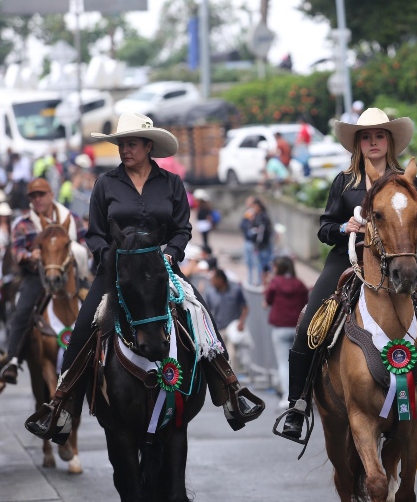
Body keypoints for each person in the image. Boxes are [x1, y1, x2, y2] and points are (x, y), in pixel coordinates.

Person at [24, 113, 264, 443]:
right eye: (121, 144)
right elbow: (94, 235)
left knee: (202, 314)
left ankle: (231, 392)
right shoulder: (105, 184)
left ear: (148, 146)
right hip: (115, 273)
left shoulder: (171, 184)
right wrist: (112, 259)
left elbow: (182, 229)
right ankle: (61, 404)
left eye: (131, 144)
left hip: (161, 268)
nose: (125, 149)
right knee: (82, 328)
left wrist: (171, 254)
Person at [276, 107, 417, 442]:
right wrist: (343, 226)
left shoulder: (408, 182)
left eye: (378, 135)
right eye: (365, 137)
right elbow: (324, 228)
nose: (372, 142)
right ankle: (297, 405)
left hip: (397, 262)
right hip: (347, 259)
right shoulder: (345, 181)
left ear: (389, 140)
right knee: (311, 320)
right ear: (358, 144)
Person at [0, 178, 89, 385]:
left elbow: (86, 241)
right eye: (33, 196)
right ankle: (13, 358)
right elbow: (16, 251)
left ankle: (103, 354)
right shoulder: (23, 224)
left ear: (51, 195)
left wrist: (77, 251)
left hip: (69, 274)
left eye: (41, 194)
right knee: (22, 310)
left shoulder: (71, 218)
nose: (38, 199)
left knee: (97, 305)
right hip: (37, 276)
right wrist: (30, 255)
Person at [264, 256, 308, 408]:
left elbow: (268, 300)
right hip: (297, 328)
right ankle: (302, 396)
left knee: (283, 364)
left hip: (280, 327)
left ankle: (287, 397)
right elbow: (304, 303)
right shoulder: (300, 284)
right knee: (297, 363)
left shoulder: (275, 283)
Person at [240, 197, 273, 286]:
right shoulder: (252, 216)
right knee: (255, 263)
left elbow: (262, 233)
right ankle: (258, 280)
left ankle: (263, 282)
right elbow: (243, 226)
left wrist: (258, 243)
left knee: (264, 265)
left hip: (262, 246)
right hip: (256, 244)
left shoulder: (263, 217)